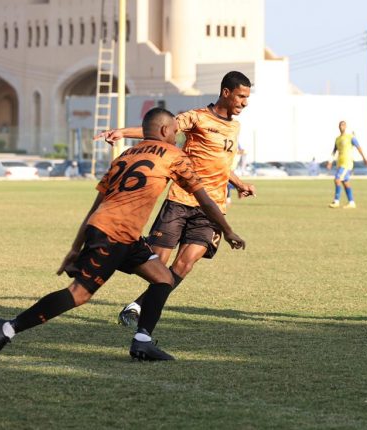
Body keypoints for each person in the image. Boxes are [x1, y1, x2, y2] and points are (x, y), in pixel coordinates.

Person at [0, 108, 246, 363]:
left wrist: (75, 247)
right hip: (114, 234)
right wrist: (227, 230)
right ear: (165, 130)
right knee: (78, 294)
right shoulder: (174, 155)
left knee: (163, 278)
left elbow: (96, 206)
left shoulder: (125, 156)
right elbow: (205, 200)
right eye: (175, 131)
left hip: (120, 233)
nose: (177, 136)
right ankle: (8, 327)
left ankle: (143, 340)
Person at [97, 71, 256, 327]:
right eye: (241, 96)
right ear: (226, 92)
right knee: (157, 263)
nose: (245, 103)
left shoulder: (235, 127)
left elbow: (221, 164)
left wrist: (238, 183)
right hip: (181, 199)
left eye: (247, 97)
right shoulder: (197, 117)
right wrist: (122, 132)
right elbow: (159, 131)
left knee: (185, 264)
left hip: (211, 207)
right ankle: (115, 258)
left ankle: (137, 307)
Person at [326, 121, 367, 209]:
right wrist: (330, 162)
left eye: (343, 125)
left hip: (347, 163)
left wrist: (365, 158)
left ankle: (336, 201)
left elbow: (358, 147)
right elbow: (334, 151)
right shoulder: (337, 139)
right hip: (340, 163)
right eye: (340, 125)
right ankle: (351, 202)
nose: (341, 127)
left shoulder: (350, 137)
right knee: (345, 183)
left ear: (346, 126)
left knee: (337, 179)